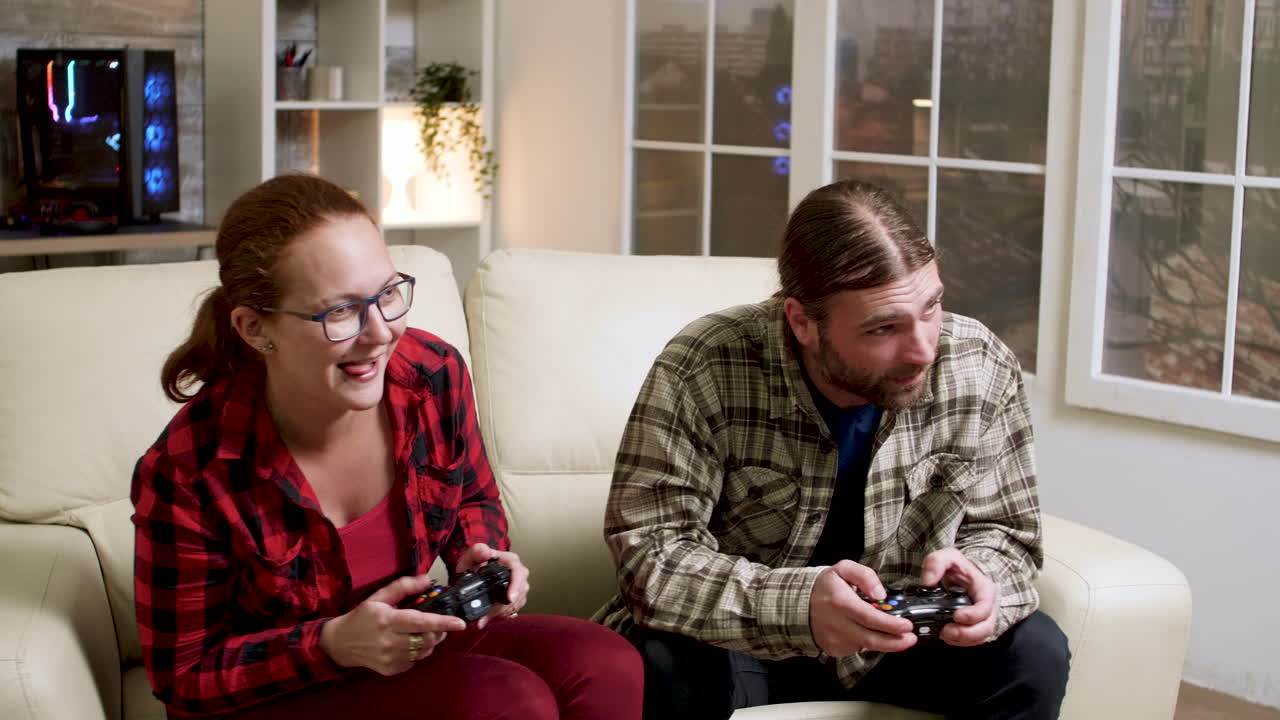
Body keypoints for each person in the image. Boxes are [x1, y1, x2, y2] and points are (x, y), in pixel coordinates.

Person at [131, 174, 642, 720]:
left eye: (388, 294)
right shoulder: (189, 470)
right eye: (340, 311)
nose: (380, 332)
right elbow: (182, 679)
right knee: (504, 700)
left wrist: (478, 552)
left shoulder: (432, 374)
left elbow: (471, 498)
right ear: (256, 328)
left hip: (405, 654)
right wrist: (330, 644)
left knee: (604, 659)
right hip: (279, 694)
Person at [593, 179, 1070, 719]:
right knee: (661, 662)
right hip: (745, 647)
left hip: (903, 641)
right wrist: (797, 606)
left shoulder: (979, 365)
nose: (922, 349)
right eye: (882, 328)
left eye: (932, 307)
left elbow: (1009, 534)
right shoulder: (705, 364)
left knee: (1036, 651)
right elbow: (650, 552)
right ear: (803, 322)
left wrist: (985, 581)